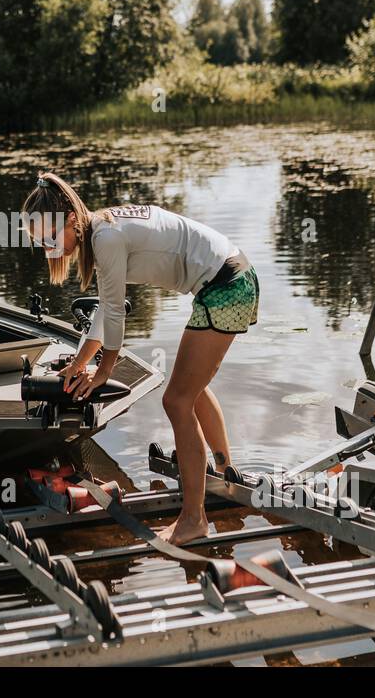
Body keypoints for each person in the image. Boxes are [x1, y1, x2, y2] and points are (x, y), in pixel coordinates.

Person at [21, 172, 259, 544]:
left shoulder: (106, 238)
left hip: (227, 286)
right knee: (190, 393)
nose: (47, 249)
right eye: (39, 243)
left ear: (70, 219)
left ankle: (193, 520)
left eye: (50, 238)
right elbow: (105, 310)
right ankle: (226, 473)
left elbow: (115, 312)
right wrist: (81, 362)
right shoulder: (101, 230)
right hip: (230, 280)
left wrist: (105, 370)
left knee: (176, 400)